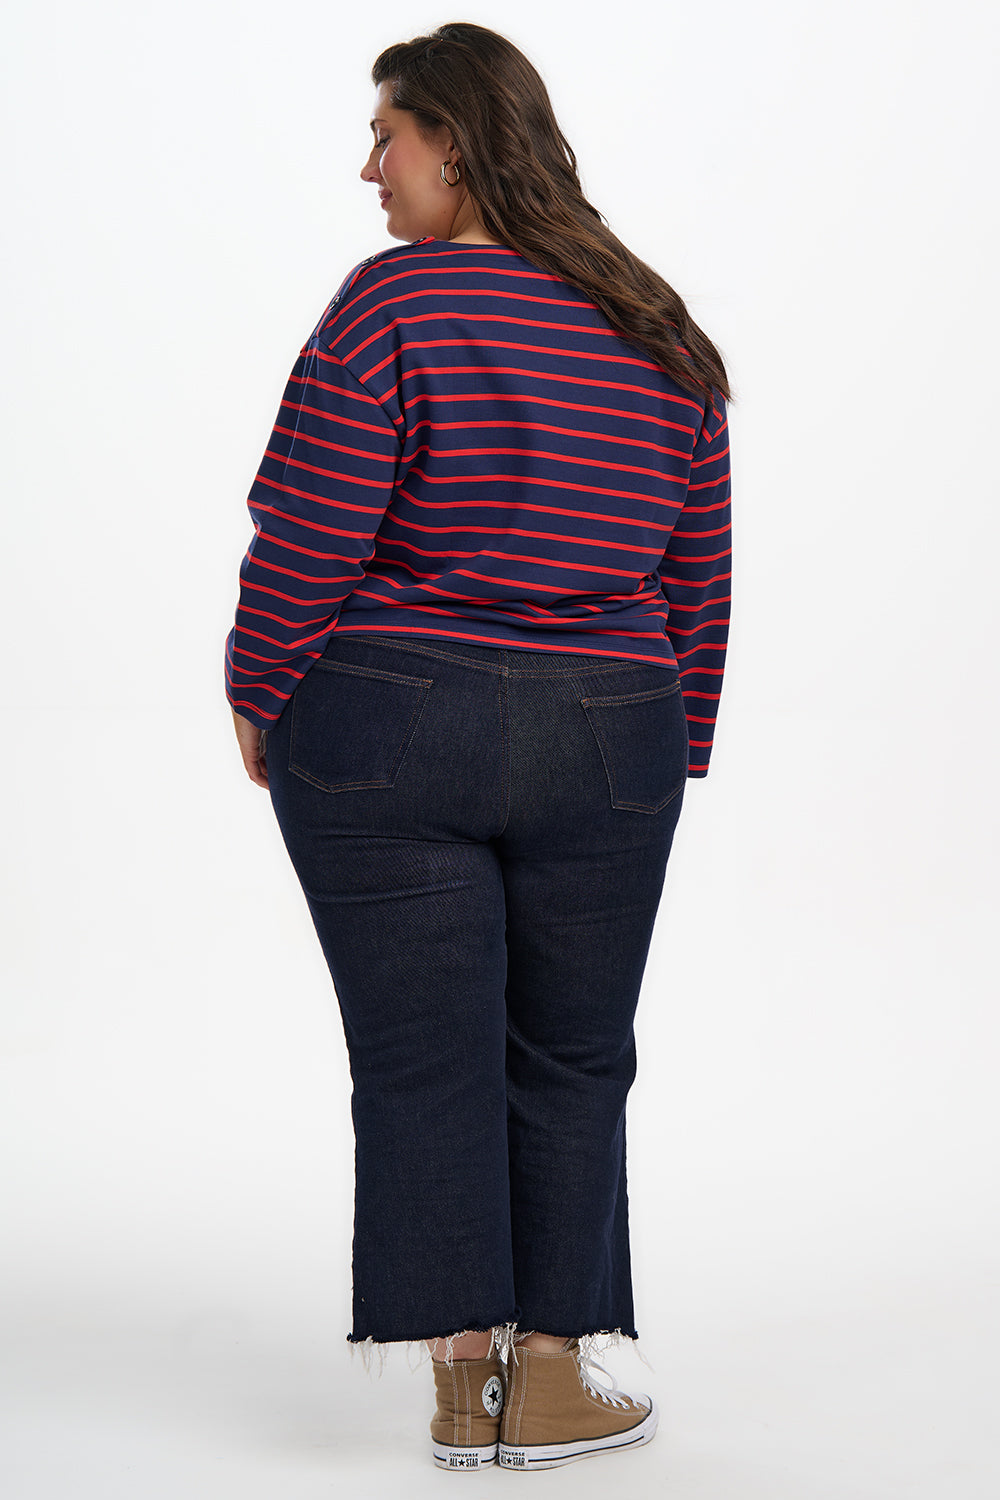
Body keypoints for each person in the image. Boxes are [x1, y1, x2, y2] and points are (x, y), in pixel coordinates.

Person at [226, 21, 733, 1474]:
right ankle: (558, 1382)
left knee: (423, 1058)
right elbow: (694, 577)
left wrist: (259, 688)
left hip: (392, 720)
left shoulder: (396, 303)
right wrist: (667, 750)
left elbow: (311, 524)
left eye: (387, 133)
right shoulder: (659, 325)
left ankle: (466, 1393)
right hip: (608, 731)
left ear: (457, 139)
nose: (368, 166)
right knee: (575, 1056)